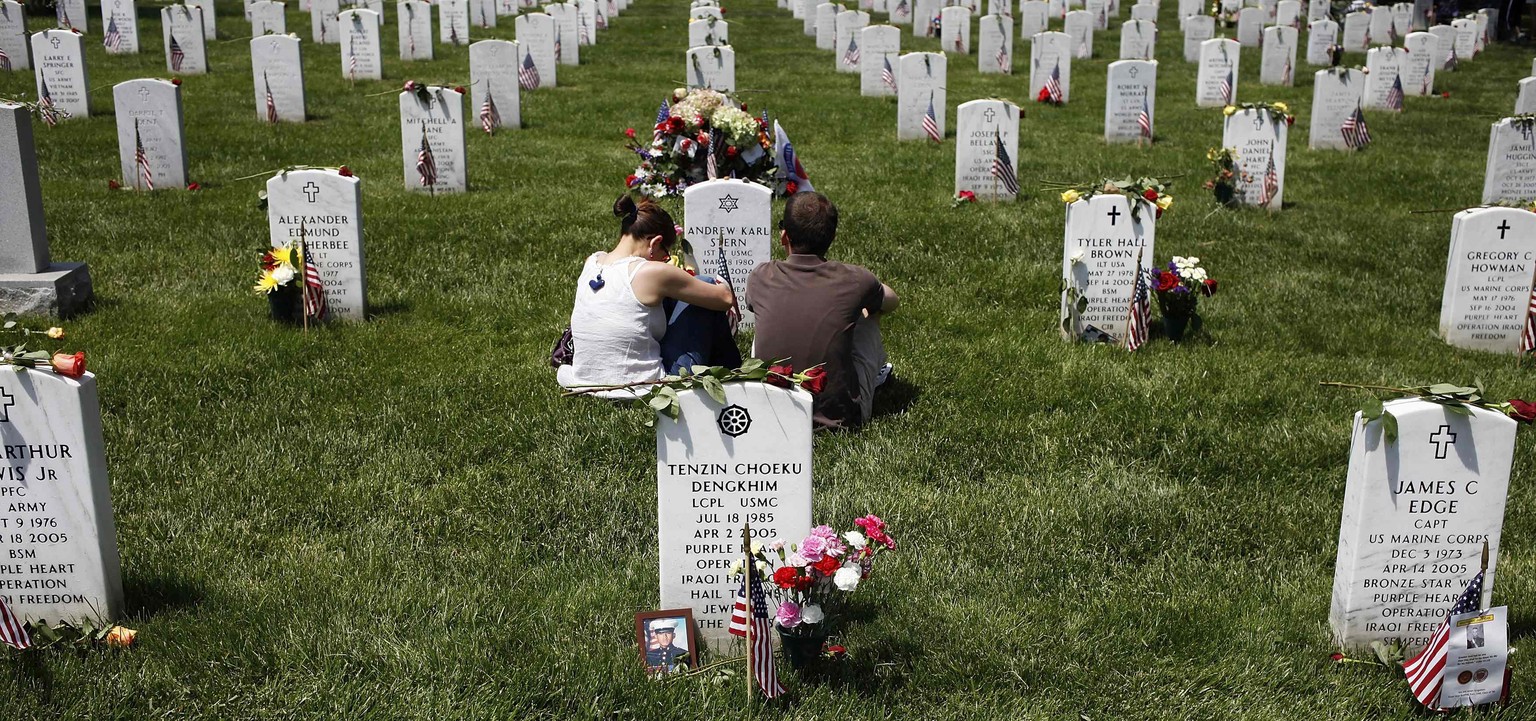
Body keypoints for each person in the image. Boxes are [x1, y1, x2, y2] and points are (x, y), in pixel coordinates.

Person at [558, 195, 742, 393]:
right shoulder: (650, 272)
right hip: (641, 385)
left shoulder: (593, 261)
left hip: (586, 380)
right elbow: (725, 299)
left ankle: (729, 371)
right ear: (655, 242)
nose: (665, 259)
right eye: (665, 253)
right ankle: (732, 374)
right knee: (704, 283)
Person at [747, 192, 897, 429]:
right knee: (870, 312)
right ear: (833, 236)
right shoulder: (856, 279)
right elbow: (891, 301)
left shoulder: (760, 276)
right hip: (841, 418)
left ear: (784, 235)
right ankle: (872, 377)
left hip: (772, 412)